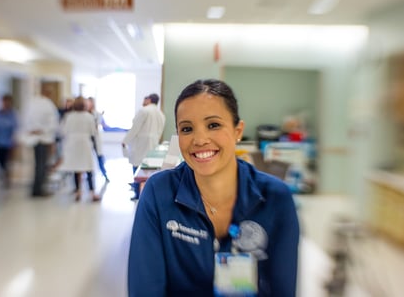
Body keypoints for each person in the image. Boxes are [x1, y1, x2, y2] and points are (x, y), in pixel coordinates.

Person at [127, 79, 300, 296]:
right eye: (187, 128)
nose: (199, 139)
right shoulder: (159, 193)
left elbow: (283, 288)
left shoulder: (275, 198)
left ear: (238, 131)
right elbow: (145, 288)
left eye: (213, 125)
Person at [122, 93, 165, 200]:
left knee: (137, 167)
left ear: (149, 100)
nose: (143, 101)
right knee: (150, 168)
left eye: (144, 99)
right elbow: (160, 131)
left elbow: (135, 128)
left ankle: (137, 192)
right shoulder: (161, 114)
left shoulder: (144, 111)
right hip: (153, 143)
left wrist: (125, 141)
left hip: (141, 143)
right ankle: (147, 191)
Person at [58, 96, 101, 202]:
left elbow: (63, 131)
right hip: (85, 143)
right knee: (89, 168)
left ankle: (78, 191)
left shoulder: (69, 116)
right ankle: (92, 192)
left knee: (75, 168)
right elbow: (93, 132)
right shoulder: (89, 117)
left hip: (72, 144)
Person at [23, 83, 59, 197]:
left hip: (33, 138)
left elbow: (26, 119)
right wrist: (42, 131)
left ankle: (37, 188)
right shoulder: (48, 105)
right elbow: (53, 124)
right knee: (42, 165)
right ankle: (38, 190)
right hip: (43, 139)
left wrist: (33, 130)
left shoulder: (32, 103)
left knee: (38, 164)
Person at [0, 94, 18, 188]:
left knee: (7, 162)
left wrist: (14, 142)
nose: (5, 103)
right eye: (3, 101)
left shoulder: (13, 114)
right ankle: (3, 177)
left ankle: (7, 179)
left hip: (9, 143)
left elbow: (16, 128)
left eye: (7, 101)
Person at [86, 97, 109, 183]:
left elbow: (97, 125)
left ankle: (105, 174)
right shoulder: (85, 114)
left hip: (95, 138)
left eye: (90, 103)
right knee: (87, 159)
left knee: (100, 158)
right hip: (87, 139)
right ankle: (88, 177)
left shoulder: (97, 114)